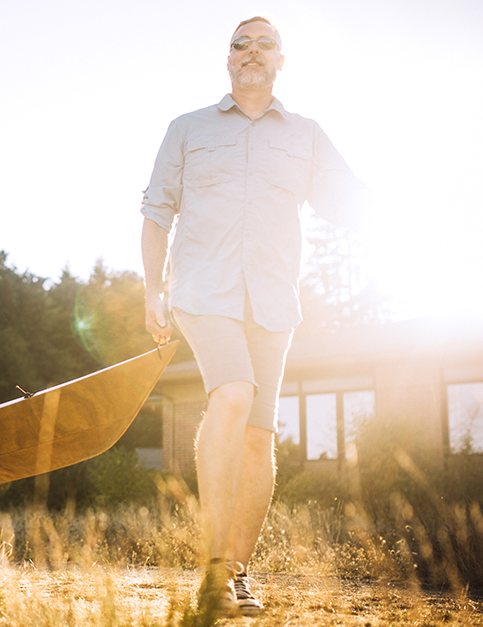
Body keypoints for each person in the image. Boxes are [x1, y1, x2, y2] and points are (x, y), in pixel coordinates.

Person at [140, 17, 367, 616]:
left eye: (265, 43)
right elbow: (156, 211)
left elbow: (348, 201)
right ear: (228, 60)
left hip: (273, 301)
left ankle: (237, 572)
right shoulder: (187, 129)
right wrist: (151, 292)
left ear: (281, 61)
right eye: (240, 43)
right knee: (233, 394)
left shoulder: (307, 135)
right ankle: (213, 570)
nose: (252, 52)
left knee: (259, 434)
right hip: (204, 291)